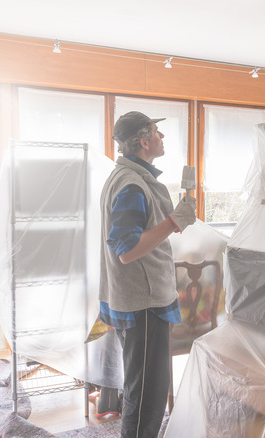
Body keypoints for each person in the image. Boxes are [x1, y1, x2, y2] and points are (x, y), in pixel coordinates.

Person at [99, 111, 197, 437]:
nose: (162, 137)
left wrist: (173, 220)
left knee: (145, 387)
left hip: (139, 300)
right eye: (157, 132)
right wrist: (174, 222)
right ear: (143, 141)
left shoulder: (130, 178)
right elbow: (126, 250)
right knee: (147, 395)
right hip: (143, 305)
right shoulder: (131, 185)